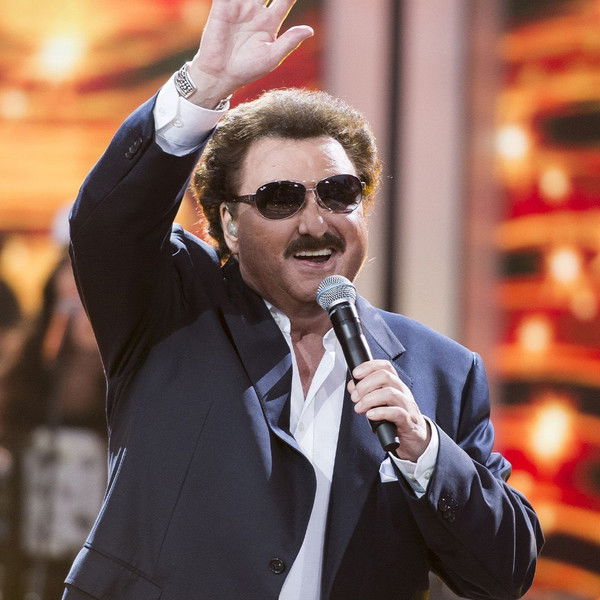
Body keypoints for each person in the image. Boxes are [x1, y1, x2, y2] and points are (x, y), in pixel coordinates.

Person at [63, 1, 543, 599]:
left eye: (339, 193)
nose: (315, 222)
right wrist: (204, 85)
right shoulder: (174, 304)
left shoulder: (441, 372)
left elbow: (504, 572)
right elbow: (108, 224)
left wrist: (425, 450)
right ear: (229, 224)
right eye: (280, 199)